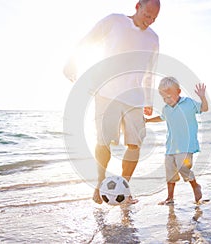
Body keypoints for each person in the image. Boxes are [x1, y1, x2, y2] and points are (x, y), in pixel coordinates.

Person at [63, 0, 161, 204]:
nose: (149, 21)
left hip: (134, 98)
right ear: (138, 6)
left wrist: (149, 100)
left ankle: (123, 189)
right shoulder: (114, 21)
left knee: (135, 145)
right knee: (104, 141)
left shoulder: (153, 38)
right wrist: (72, 61)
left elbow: (151, 71)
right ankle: (100, 185)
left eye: (154, 18)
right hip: (107, 93)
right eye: (147, 15)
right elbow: (88, 40)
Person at [146, 77, 208, 204]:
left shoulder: (189, 103)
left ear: (178, 92)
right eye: (164, 98)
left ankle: (195, 186)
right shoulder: (166, 109)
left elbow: (204, 108)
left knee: (183, 167)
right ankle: (170, 198)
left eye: (169, 97)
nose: (167, 100)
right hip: (170, 146)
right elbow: (162, 118)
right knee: (170, 173)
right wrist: (148, 120)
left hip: (186, 145)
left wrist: (202, 97)